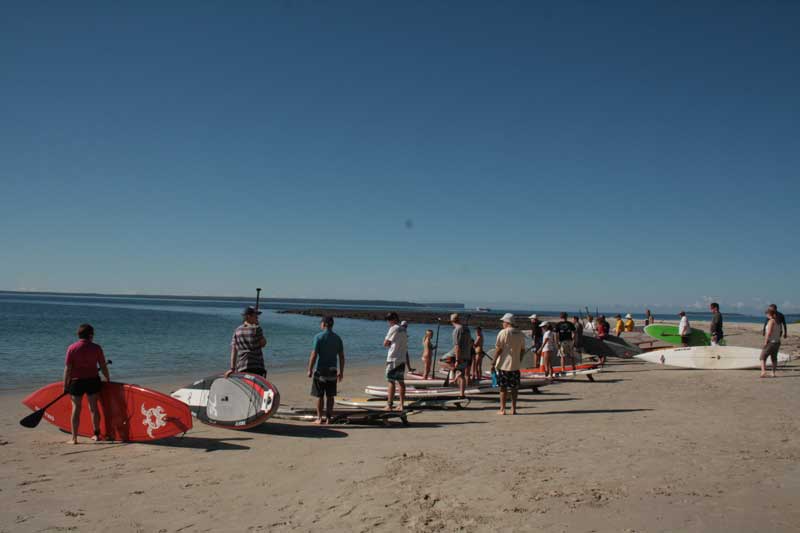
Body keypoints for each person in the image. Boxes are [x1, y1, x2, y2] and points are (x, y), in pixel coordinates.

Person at [63, 324, 110, 444]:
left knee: (76, 408)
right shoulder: (96, 348)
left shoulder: (72, 348)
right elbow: (103, 366)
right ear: (90, 335)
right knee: (93, 408)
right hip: (92, 381)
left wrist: (65, 385)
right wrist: (108, 377)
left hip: (76, 382)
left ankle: (74, 438)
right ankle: (97, 435)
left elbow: (68, 369)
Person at [307, 316, 345, 424]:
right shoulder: (337, 338)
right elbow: (341, 356)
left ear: (323, 324)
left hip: (321, 371)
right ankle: (328, 418)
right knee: (330, 396)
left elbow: (314, 355)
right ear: (332, 325)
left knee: (320, 396)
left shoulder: (318, 337)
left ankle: (319, 418)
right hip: (333, 371)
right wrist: (341, 371)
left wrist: (309, 369)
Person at [493, 313, 526, 415]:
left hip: (504, 365)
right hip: (515, 365)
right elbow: (522, 350)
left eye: (503, 322)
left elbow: (499, 349)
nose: (502, 323)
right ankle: (513, 409)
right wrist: (519, 360)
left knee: (503, 388)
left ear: (507, 322)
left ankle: (502, 409)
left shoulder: (503, 332)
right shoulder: (520, 334)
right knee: (514, 388)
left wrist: (493, 361)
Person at [227, 306, 267, 377]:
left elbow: (234, 350)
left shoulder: (237, 330)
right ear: (249, 316)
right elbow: (263, 344)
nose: (257, 317)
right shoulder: (256, 329)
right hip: (257, 366)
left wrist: (232, 368)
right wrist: (257, 327)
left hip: (242, 367)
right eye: (255, 315)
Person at [383, 312, 410, 411]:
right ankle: (401, 404)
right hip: (401, 359)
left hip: (393, 358)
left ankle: (389, 405)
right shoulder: (404, 330)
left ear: (394, 319)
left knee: (391, 381)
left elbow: (385, 343)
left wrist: (389, 344)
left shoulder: (393, 328)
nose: (388, 322)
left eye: (389, 319)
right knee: (401, 382)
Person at [450, 313, 473, 397]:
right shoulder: (466, 328)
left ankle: (453, 376)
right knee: (461, 375)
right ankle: (461, 394)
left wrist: (456, 360)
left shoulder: (457, 330)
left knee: (441, 361)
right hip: (467, 354)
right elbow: (470, 342)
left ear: (452, 321)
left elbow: (457, 346)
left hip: (460, 356)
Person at [761, 308, 782, 378]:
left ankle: (763, 372)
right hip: (777, 342)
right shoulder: (778, 322)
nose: (766, 315)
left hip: (771, 342)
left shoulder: (771, 321)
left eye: (766, 314)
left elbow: (769, 333)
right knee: (774, 358)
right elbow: (780, 332)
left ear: (769, 314)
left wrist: (765, 341)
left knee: (763, 357)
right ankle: (773, 373)